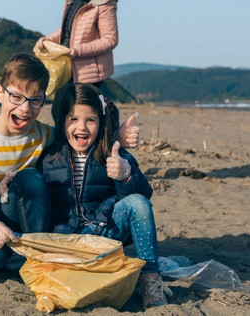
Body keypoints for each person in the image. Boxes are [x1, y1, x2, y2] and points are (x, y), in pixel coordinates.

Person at [0, 54, 139, 281]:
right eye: (17, 97)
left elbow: (79, 136)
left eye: (35, 101)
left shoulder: (43, 135)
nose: (25, 108)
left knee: (30, 178)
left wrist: (115, 137)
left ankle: (40, 255)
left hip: (14, 210)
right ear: (0, 93)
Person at [38, 83, 168, 308]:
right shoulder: (49, 157)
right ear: (62, 122)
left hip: (106, 231)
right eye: (73, 119)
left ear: (100, 122)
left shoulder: (111, 151)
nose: (82, 127)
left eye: (90, 120)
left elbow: (144, 195)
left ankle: (150, 278)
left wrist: (125, 174)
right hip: (69, 240)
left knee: (137, 203)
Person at [35, 0, 118, 88]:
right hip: (65, 68)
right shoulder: (71, 2)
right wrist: (48, 39)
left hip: (87, 74)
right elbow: (70, 30)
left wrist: (77, 51)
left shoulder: (104, 4)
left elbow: (110, 40)